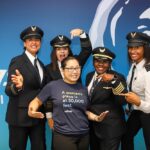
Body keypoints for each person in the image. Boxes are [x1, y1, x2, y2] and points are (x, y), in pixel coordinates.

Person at [28, 56, 109, 150]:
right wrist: (31, 111)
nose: (75, 71)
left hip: (84, 135)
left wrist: (96, 118)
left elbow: (84, 111)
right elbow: (36, 101)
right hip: (64, 136)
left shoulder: (83, 89)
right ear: (62, 70)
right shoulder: (53, 86)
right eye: (70, 68)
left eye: (77, 68)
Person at [5, 26, 47, 150]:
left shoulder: (41, 65)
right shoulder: (17, 61)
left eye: (37, 39)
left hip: (38, 119)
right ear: (25, 43)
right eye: (30, 39)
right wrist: (17, 86)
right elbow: (8, 89)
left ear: (40, 43)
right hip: (19, 119)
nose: (34, 42)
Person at [45, 29, 92, 128]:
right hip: (59, 115)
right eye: (58, 49)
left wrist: (82, 34)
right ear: (54, 52)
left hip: (78, 113)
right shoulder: (48, 69)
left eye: (65, 48)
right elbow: (48, 96)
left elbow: (87, 50)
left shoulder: (76, 61)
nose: (62, 51)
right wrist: (49, 117)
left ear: (69, 50)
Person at [86, 47, 127, 150]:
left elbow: (123, 100)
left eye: (105, 61)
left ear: (110, 63)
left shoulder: (117, 77)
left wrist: (113, 81)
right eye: (97, 60)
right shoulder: (89, 76)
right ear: (93, 61)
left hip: (110, 129)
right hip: (93, 127)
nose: (100, 64)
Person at [121, 32, 150, 150]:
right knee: (126, 136)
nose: (132, 51)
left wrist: (137, 102)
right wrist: (129, 107)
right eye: (130, 47)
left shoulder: (148, 71)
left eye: (137, 47)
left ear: (145, 48)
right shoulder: (135, 64)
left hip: (147, 111)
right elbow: (132, 88)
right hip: (138, 110)